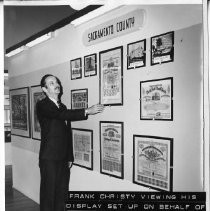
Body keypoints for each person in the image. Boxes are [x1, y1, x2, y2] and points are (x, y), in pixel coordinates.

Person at [36, 74, 104, 211]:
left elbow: (67, 134)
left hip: (62, 158)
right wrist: (87, 111)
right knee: (48, 195)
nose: (56, 84)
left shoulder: (62, 106)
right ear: (44, 89)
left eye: (56, 81)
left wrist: (69, 156)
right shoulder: (43, 105)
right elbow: (60, 115)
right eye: (51, 83)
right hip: (49, 158)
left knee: (62, 194)